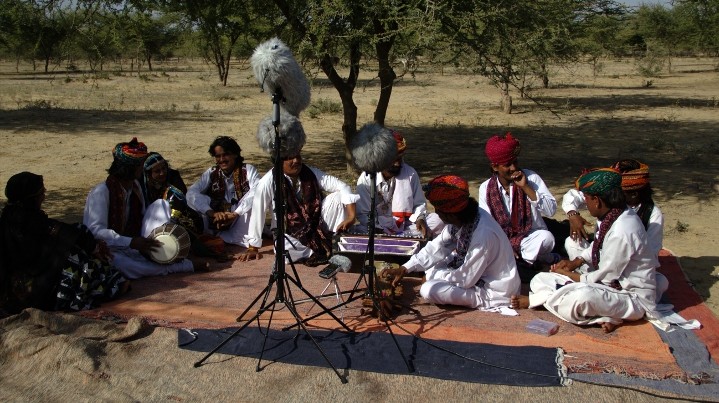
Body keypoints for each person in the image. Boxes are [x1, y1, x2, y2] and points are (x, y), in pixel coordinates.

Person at [512, 168, 658, 333]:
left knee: (581, 298)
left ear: (597, 201)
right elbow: (597, 246)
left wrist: (568, 275)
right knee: (539, 280)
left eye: (587, 199)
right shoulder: (613, 216)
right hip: (604, 286)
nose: (586, 204)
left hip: (630, 296)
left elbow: (607, 276)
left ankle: (536, 300)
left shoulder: (623, 230)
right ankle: (607, 316)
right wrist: (575, 262)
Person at [381, 175, 520, 309]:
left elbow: (465, 280)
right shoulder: (463, 218)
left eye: (438, 210)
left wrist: (431, 275)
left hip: (494, 292)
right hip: (472, 275)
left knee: (429, 290)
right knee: (432, 264)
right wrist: (405, 268)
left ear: (450, 214)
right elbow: (437, 247)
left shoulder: (483, 235)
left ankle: (483, 301)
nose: (436, 213)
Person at [241, 112, 359, 266]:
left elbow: (342, 186)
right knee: (283, 251)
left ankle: (331, 245)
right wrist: (253, 247)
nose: (296, 161)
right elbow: (259, 211)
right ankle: (324, 249)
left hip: (318, 227)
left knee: (337, 198)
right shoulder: (268, 182)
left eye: (298, 155)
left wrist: (351, 217)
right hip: (290, 234)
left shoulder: (310, 172)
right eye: (290, 157)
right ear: (279, 160)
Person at [1, 172, 128, 314]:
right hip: (35, 289)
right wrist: (93, 246)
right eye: (41, 192)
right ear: (32, 198)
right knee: (78, 257)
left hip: (17, 287)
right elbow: (64, 235)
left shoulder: (10, 218)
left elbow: (66, 232)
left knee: (77, 237)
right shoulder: (33, 223)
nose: (44, 196)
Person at [83, 138, 195, 279]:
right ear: (130, 168)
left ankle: (161, 255)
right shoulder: (101, 192)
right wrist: (130, 242)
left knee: (160, 205)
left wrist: (144, 242)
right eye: (141, 165)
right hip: (110, 248)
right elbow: (95, 231)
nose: (143, 168)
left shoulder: (135, 186)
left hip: (135, 243)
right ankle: (178, 266)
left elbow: (143, 217)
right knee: (126, 265)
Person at [562, 159, 667, 300]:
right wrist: (573, 214)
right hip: (603, 258)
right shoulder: (613, 207)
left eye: (618, 191)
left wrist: (573, 277)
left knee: (660, 282)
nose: (613, 194)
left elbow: (649, 257)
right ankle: (589, 280)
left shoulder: (646, 217)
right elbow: (576, 195)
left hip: (628, 270)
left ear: (634, 194)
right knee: (572, 242)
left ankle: (595, 287)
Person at [478, 133, 559, 267]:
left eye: (515, 162)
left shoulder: (531, 178)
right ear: (495, 167)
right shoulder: (485, 188)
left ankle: (518, 261)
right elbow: (486, 224)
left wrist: (526, 187)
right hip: (502, 241)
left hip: (531, 237)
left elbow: (551, 211)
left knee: (547, 238)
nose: (513, 168)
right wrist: (505, 245)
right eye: (507, 165)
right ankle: (533, 260)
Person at [141, 152, 227, 260]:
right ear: (148, 174)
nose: (162, 173)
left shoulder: (173, 178)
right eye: (157, 171)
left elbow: (179, 205)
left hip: (184, 219)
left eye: (164, 169)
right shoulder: (142, 186)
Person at [354, 129, 434, 237]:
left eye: (399, 159)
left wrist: (420, 218)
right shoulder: (367, 178)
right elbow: (363, 213)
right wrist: (377, 229)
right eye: (392, 160)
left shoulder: (410, 174)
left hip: (405, 226)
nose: (397, 164)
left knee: (437, 221)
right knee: (358, 230)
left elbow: (419, 204)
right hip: (376, 228)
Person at [186, 136, 260, 247]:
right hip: (217, 221)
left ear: (235, 154)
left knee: (256, 195)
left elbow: (257, 191)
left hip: (240, 220)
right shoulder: (211, 173)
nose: (221, 160)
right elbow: (191, 193)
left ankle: (234, 237)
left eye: (225, 155)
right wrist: (212, 213)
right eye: (218, 156)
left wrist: (235, 214)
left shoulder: (248, 170)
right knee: (192, 197)